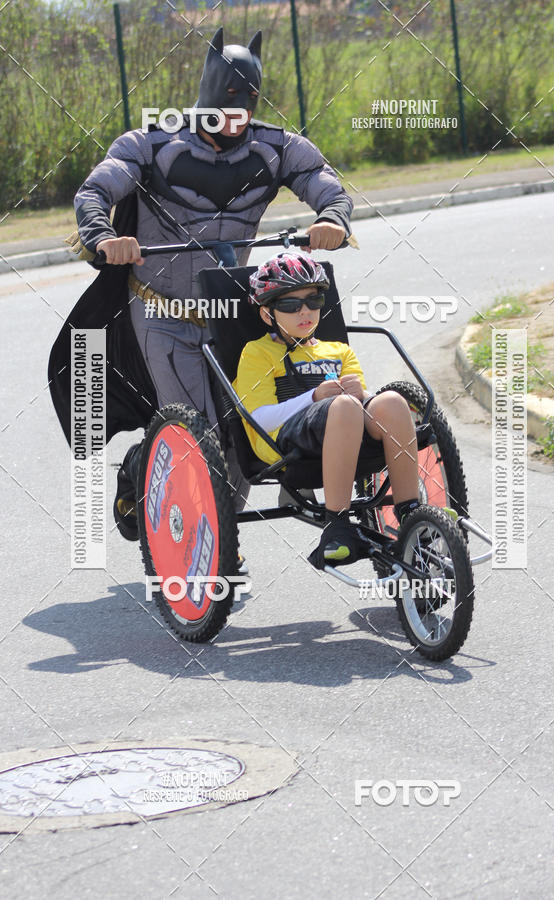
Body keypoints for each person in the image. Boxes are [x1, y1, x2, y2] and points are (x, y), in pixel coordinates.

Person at [48, 27, 353, 554]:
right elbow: (96, 190)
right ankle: (204, 557)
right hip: (161, 315)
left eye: (247, 110)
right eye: (227, 108)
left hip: (233, 315)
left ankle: (179, 504)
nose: (237, 122)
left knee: (242, 435)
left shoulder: (278, 148)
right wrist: (104, 237)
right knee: (205, 440)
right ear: (208, 96)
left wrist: (332, 216)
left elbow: (324, 181)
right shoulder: (150, 144)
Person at [233, 252, 422, 569]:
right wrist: (314, 397)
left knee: (391, 401)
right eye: (291, 305)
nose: (304, 311)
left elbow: (364, 405)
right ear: (268, 315)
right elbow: (260, 418)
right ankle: (337, 525)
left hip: (346, 433)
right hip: (285, 442)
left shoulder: (339, 350)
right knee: (345, 405)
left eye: (313, 300)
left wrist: (366, 396)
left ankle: (410, 512)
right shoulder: (257, 353)